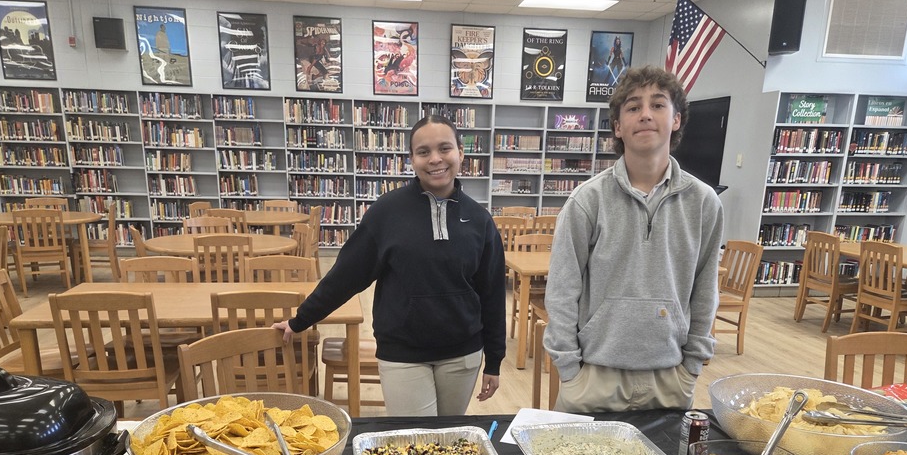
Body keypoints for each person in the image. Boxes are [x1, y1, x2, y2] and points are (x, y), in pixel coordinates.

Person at [274, 115, 506, 416]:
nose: (435, 159)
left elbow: (492, 293)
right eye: (423, 152)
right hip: (402, 354)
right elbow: (346, 276)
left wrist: (495, 360)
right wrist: (300, 320)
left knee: (448, 441)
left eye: (444, 148)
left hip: (462, 355)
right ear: (411, 159)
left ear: (460, 153)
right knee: (413, 444)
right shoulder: (386, 213)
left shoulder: (479, 220)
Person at [542, 65, 723, 414]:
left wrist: (692, 368)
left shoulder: (704, 203)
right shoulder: (587, 200)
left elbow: (705, 288)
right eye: (633, 107)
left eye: (657, 105)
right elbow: (563, 288)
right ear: (618, 127)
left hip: (670, 379)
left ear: (676, 120)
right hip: (594, 377)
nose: (645, 115)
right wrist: (569, 371)